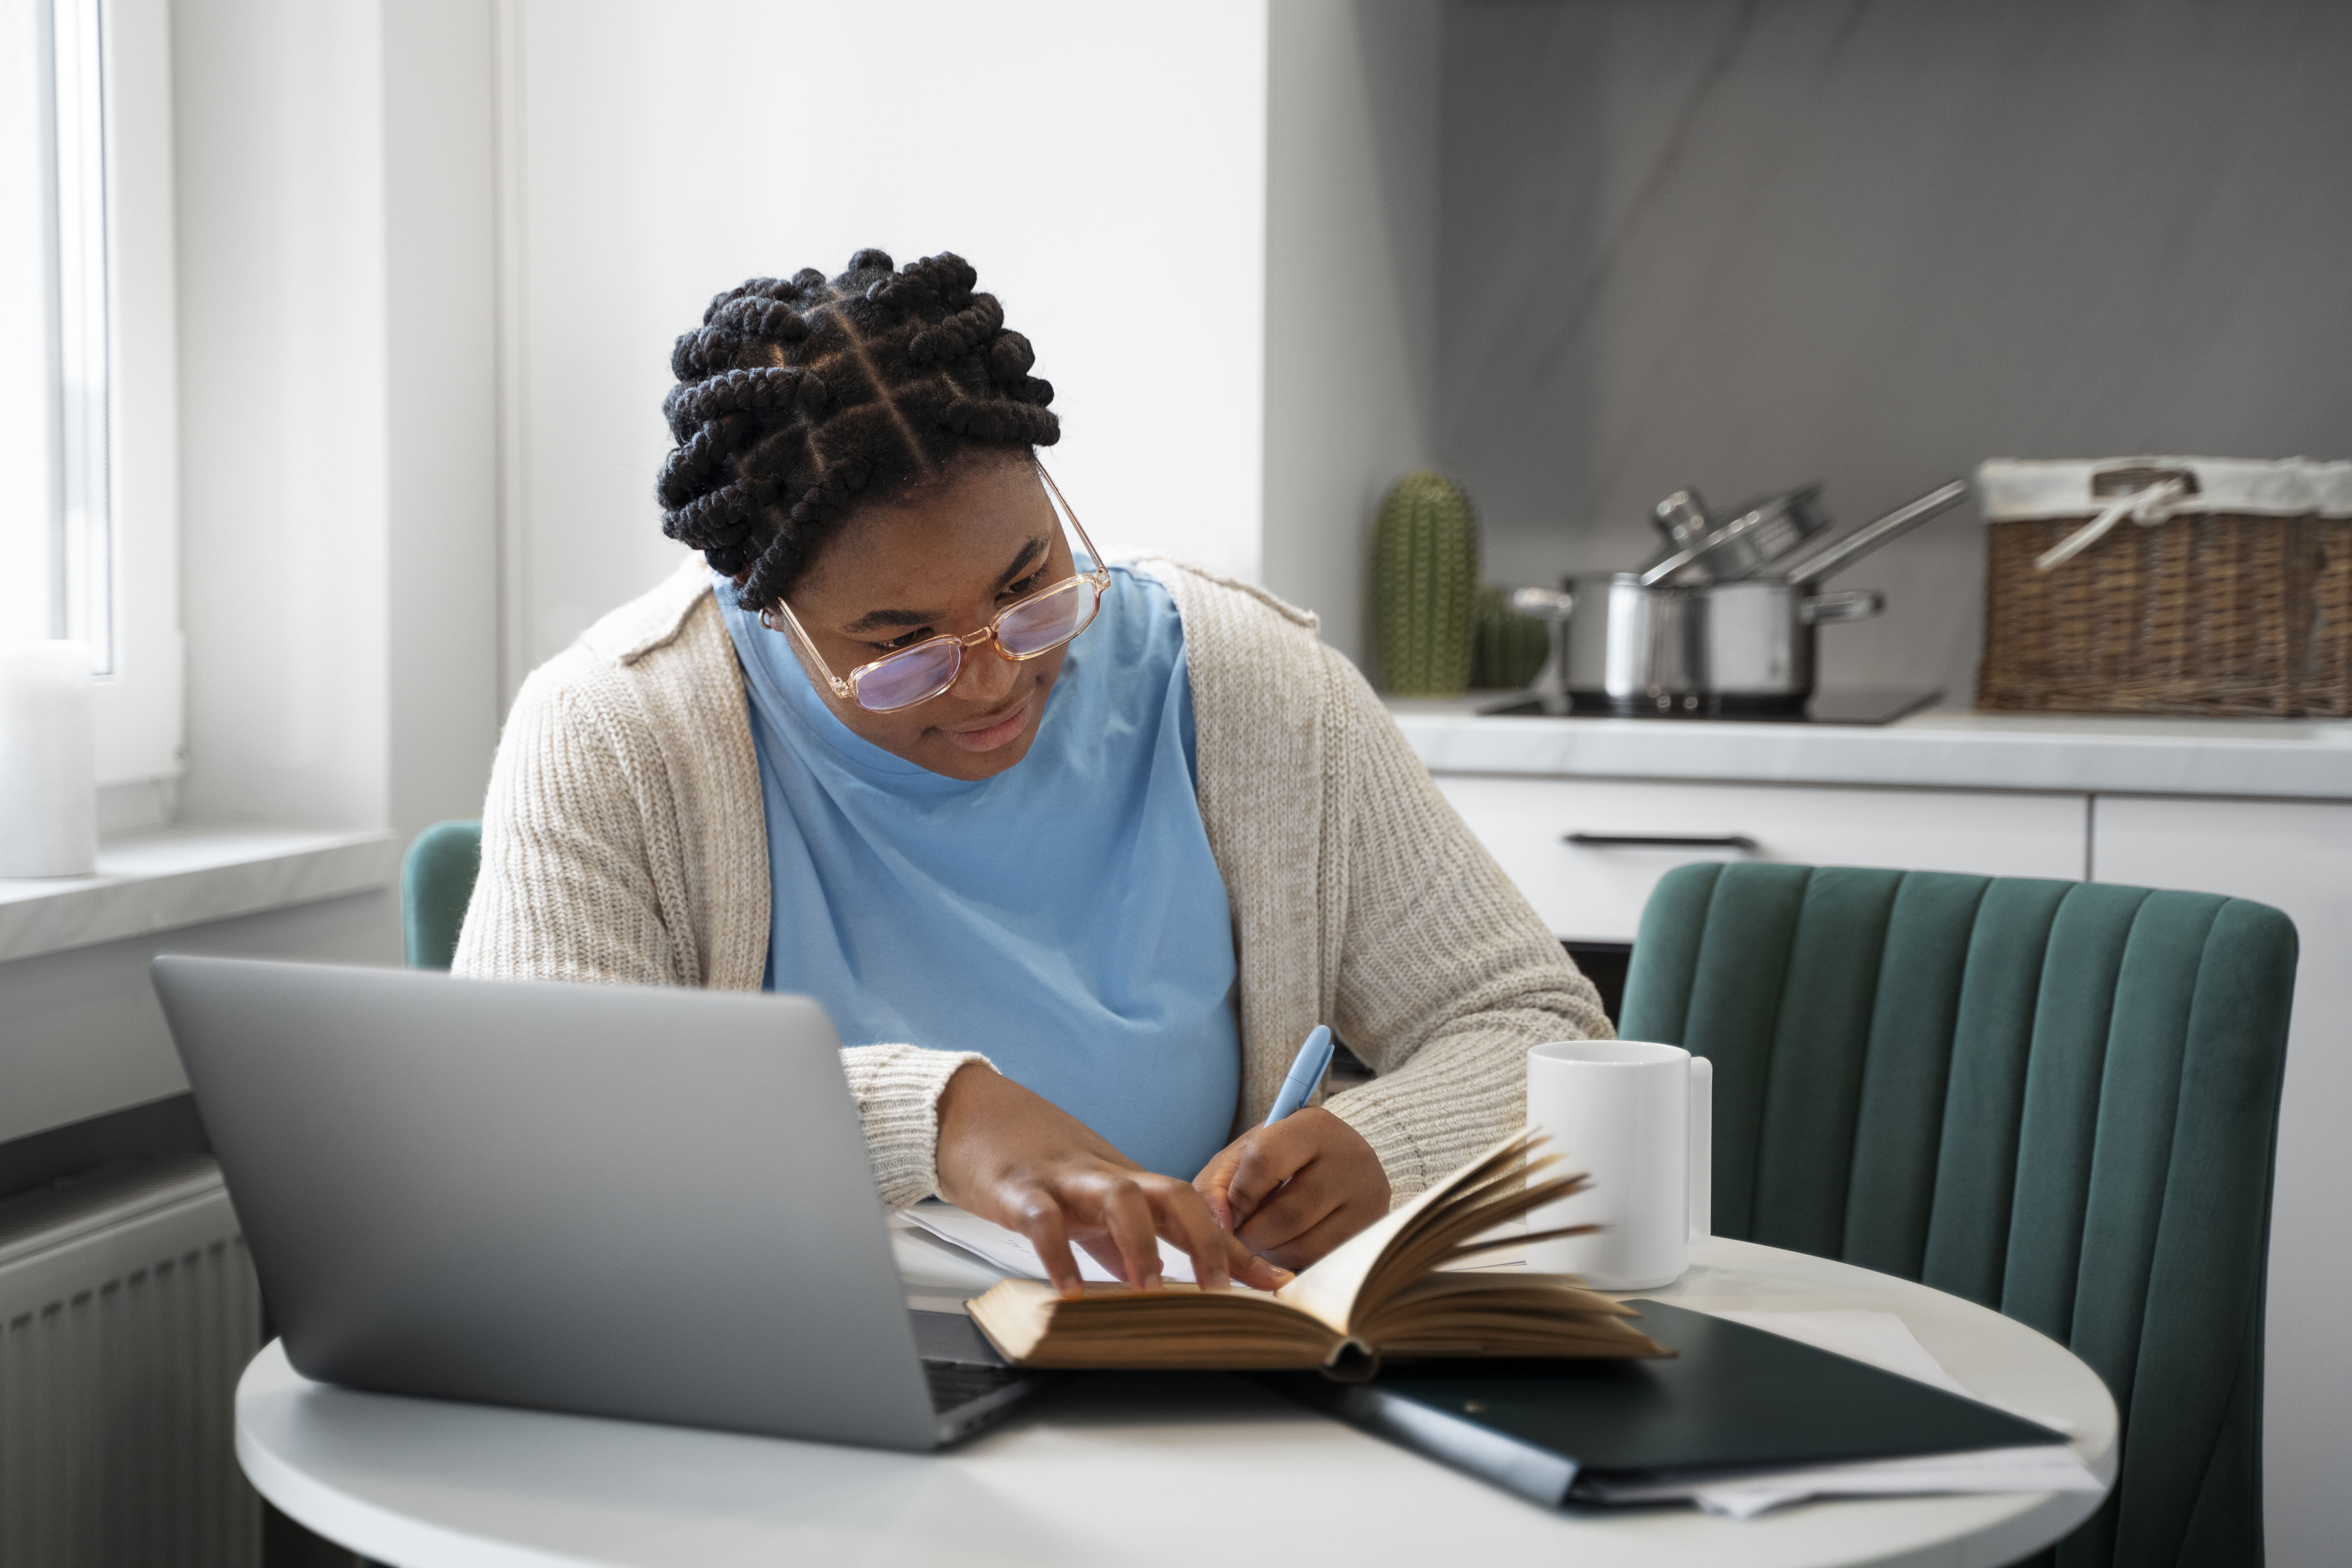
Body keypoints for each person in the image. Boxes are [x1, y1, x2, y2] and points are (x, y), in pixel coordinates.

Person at [455, 250, 1608, 1297]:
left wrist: (1384, 1144)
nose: (995, 680)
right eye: (905, 647)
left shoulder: (1250, 686)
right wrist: (939, 1120)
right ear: (768, 611)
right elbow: (531, 1118)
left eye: (1029, 587)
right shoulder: (615, 730)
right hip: (780, 1379)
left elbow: (1539, 1026)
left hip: (1171, 1377)